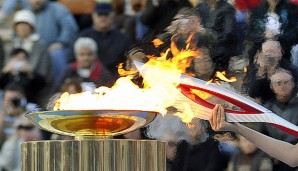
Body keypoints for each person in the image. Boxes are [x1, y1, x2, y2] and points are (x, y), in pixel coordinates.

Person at [209, 104, 298, 168]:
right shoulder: (236, 158)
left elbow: (292, 156)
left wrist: (237, 128)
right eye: (244, 141)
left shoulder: (263, 159)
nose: (248, 144)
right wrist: (237, 128)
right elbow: (292, 155)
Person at [28, 0, 79, 85]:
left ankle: (60, 86)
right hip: (36, 49)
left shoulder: (58, 9)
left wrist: (61, 42)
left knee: (57, 54)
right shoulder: (27, 12)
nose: (37, 1)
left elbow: (70, 27)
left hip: (56, 48)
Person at [77, 3, 132, 76]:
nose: (103, 18)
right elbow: (73, 61)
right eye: (99, 15)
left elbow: (130, 60)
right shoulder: (83, 36)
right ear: (93, 17)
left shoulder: (123, 38)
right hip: (90, 77)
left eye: (106, 15)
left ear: (113, 16)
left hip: (117, 78)